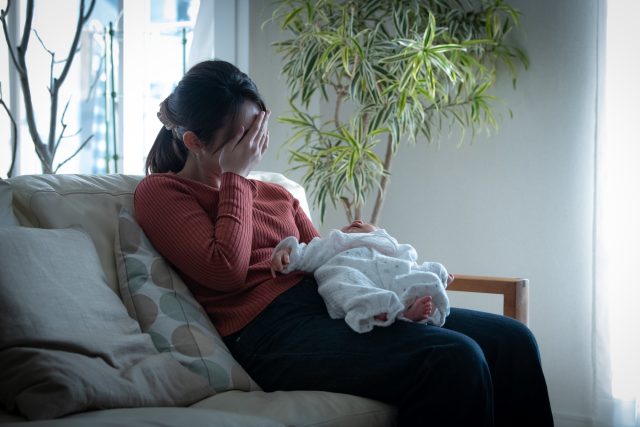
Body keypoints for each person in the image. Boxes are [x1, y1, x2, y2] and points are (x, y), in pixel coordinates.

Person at [134, 59, 554, 427]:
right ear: (194, 142)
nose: (255, 147)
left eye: (257, 130)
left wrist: (354, 243)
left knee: (512, 340)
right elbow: (224, 270)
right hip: (266, 335)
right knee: (453, 359)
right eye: (243, 136)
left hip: (324, 307)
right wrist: (236, 179)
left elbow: (322, 263)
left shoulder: (276, 194)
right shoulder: (163, 194)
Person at [270, 219, 454, 332]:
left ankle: (407, 309)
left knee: (411, 275)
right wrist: (287, 253)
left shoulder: (388, 245)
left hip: (390, 275)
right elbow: (307, 253)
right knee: (343, 282)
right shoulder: (333, 243)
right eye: (351, 225)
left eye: (367, 224)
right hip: (347, 273)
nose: (357, 222)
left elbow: (412, 262)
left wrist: (438, 274)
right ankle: (379, 309)